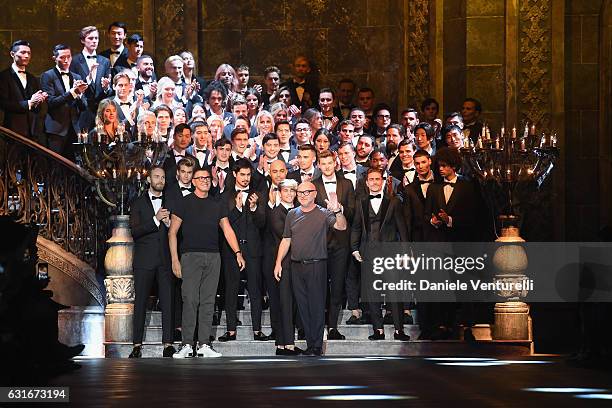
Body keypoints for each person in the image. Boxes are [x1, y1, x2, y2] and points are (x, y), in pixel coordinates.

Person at [168, 167, 245, 358]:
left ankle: (204, 344)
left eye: (207, 178)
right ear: (193, 181)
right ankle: (187, 344)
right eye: (200, 178)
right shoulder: (183, 202)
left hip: (213, 257)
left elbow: (227, 230)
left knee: (208, 301)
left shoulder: (217, 204)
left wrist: (237, 252)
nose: (204, 180)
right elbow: (172, 233)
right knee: (191, 299)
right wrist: (175, 260)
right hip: (190, 256)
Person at [274, 181, 347, 356]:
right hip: (296, 266)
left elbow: (341, 226)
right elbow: (286, 239)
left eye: (307, 192)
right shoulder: (292, 214)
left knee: (316, 306)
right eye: (300, 192)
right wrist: (278, 262)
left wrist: (337, 210)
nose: (303, 195)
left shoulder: (323, 213)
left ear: (315, 193)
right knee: (303, 307)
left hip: (317, 265)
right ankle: (310, 345)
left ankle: (316, 346)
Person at [350, 167, 410, 341]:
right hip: (369, 254)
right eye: (372, 179)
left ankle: (399, 330)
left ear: (382, 181)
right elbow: (356, 227)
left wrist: (405, 253)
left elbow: (402, 229)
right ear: (367, 183)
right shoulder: (361, 202)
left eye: (378, 179)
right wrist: (354, 249)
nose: (375, 182)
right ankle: (378, 330)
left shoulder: (394, 202)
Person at [217, 159, 268, 342]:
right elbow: (223, 224)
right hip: (232, 250)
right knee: (230, 290)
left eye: (248, 175)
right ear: (234, 174)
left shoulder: (259, 194)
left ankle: (257, 331)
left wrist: (254, 208)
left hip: (254, 249)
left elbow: (262, 224)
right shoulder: (225, 196)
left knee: (255, 290)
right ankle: (231, 330)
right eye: (242, 175)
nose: (246, 179)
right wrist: (238, 208)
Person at [128, 166, 176, 358]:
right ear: (149, 179)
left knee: (168, 301)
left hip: (165, 259)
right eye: (156, 176)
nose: (160, 180)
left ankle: (168, 344)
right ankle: (137, 345)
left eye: (163, 177)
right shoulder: (138, 203)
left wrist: (169, 225)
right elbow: (135, 231)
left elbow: (177, 231)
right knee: (140, 302)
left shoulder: (171, 202)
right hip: (144, 260)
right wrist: (156, 221)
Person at [312, 150, 355, 340]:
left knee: (337, 286)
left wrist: (340, 209)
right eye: (324, 163)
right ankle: (318, 326)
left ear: (335, 164)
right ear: (319, 165)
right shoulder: (312, 186)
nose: (327, 166)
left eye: (330, 163)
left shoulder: (347, 184)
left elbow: (354, 212)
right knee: (319, 287)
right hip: (319, 243)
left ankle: (332, 327)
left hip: (340, 244)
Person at [270, 179, 302, 355]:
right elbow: (285, 235)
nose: (290, 194)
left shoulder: (297, 211)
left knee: (292, 304)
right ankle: (285, 344)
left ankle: (285, 344)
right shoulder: (276, 213)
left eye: (292, 191)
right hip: (283, 263)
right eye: (286, 191)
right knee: (285, 303)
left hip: (296, 263)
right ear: (280, 192)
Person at [40, 44, 88, 157]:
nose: (66, 60)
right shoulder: (47, 76)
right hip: (56, 129)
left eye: (69, 56)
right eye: (62, 57)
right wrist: (73, 92)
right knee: (55, 165)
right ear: (54, 58)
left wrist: (79, 94)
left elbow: (84, 106)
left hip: (74, 128)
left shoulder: (77, 77)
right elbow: (51, 102)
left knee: (73, 165)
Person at [0, 40, 47, 140]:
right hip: (13, 131)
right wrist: (29, 103)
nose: (26, 56)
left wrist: (39, 100)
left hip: (33, 132)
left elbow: (38, 109)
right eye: (23, 52)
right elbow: (3, 103)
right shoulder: (4, 76)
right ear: (12, 54)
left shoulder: (32, 78)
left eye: (29, 53)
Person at [70, 26, 112, 130]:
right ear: (82, 40)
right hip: (82, 111)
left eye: (96, 38)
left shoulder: (105, 61)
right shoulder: (74, 61)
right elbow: (73, 86)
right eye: (90, 38)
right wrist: (88, 78)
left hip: (101, 111)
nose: (94, 41)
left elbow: (108, 89)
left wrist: (106, 87)